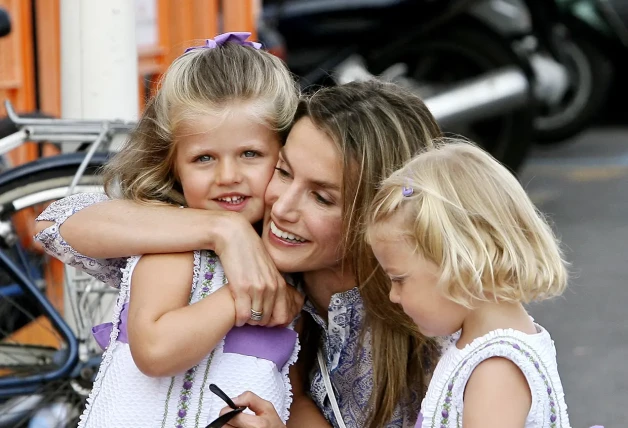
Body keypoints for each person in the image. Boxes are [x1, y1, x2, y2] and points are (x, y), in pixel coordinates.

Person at [35, 80, 443, 428]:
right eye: (283, 172)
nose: (281, 207)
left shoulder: (428, 317)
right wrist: (222, 229)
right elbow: (56, 222)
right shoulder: (242, 251)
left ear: (379, 214)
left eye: (321, 197)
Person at [57, 32, 305, 428]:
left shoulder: (288, 255)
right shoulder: (176, 247)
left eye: (250, 154)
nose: (228, 176)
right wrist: (236, 298)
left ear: (285, 154)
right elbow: (154, 351)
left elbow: (292, 387)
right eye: (204, 158)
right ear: (174, 165)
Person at [366, 140, 572, 427]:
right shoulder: (476, 349)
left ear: (462, 263)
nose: (393, 296)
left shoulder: (496, 369)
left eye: (399, 279)